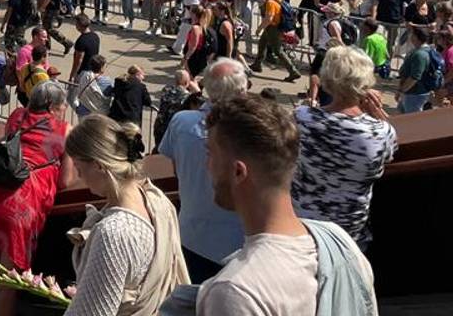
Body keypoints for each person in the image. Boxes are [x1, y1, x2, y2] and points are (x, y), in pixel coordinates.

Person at [197, 94, 377, 315]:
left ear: (238, 172)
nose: (207, 165)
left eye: (210, 154)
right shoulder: (340, 242)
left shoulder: (235, 292)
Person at [64, 114, 188, 315]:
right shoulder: (156, 200)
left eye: (79, 168)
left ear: (99, 165)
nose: (79, 177)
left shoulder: (114, 233)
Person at [0, 81, 72, 316]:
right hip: (21, 206)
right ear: (51, 105)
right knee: (8, 283)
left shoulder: (16, 116)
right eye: (62, 104)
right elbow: (65, 181)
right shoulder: (65, 130)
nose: (65, 107)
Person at [292, 46, 396, 247]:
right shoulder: (380, 132)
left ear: (327, 78)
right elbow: (390, 152)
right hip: (348, 235)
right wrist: (377, 113)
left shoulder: (301, 118)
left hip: (303, 227)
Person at [158, 58, 248, 283]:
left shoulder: (182, 122)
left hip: (190, 236)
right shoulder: (251, 133)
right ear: (241, 91)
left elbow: (176, 168)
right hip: (238, 247)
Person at [251, 0, 300, 82]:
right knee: (262, 43)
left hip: (273, 28)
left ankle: (293, 71)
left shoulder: (270, 2)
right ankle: (257, 64)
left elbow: (269, 18)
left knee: (278, 51)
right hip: (272, 27)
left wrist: (259, 28)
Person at [397, 26, 440, 113]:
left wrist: (401, 90)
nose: (410, 36)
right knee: (402, 113)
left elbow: (414, 77)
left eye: (412, 34)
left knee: (410, 120)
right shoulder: (424, 50)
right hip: (413, 93)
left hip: (415, 94)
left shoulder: (420, 55)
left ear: (415, 37)